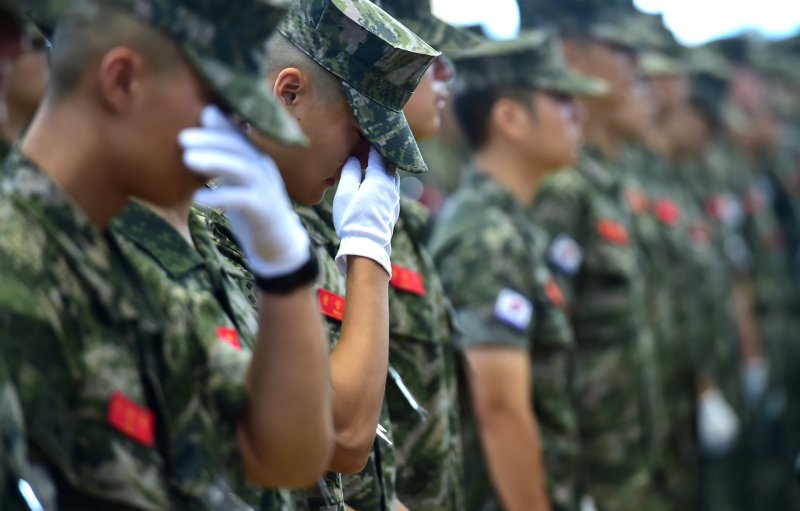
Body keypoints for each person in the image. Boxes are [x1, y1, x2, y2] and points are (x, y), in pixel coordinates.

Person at [0, 0, 335, 508]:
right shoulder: (14, 264)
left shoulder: (135, 275)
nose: (237, 139)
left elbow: (287, 454)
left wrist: (287, 274)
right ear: (123, 82)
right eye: (218, 109)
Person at [198, 1, 439, 509]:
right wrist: (370, 255)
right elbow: (345, 436)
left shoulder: (287, 225)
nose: (362, 163)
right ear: (288, 94)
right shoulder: (211, 223)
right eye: (359, 134)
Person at [430, 30, 607, 511]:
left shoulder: (509, 225)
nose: (579, 115)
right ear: (509, 118)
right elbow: (500, 409)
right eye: (562, 101)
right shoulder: (486, 235)